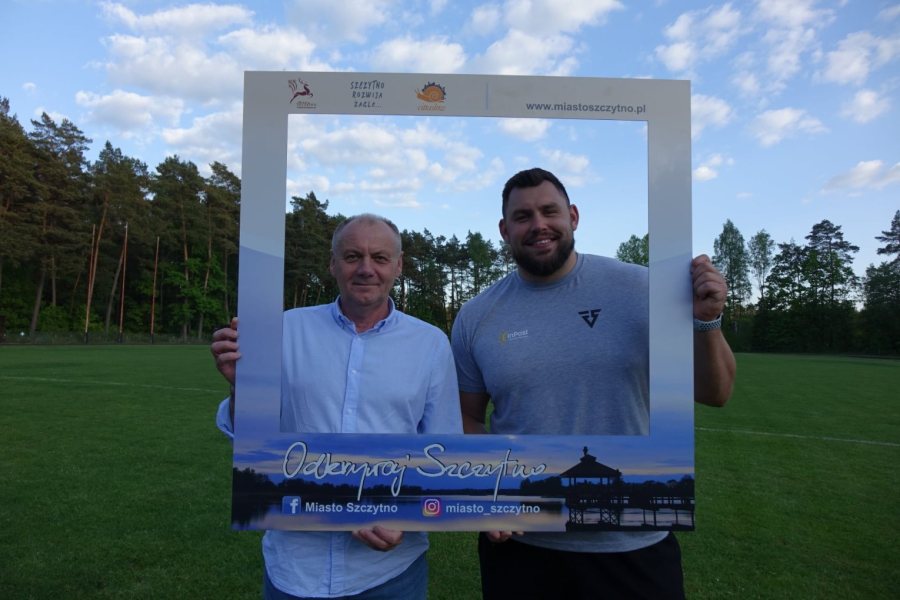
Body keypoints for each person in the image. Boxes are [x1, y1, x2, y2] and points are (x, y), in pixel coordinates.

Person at [450, 168, 736, 599]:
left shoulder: (642, 288)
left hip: (632, 543)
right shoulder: (477, 315)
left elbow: (715, 393)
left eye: (550, 211)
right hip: (522, 545)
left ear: (573, 216)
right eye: (523, 216)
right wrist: (492, 491)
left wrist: (707, 321)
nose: (539, 225)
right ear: (505, 230)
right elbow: (466, 417)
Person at [211, 214, 462, 600]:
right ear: (332, 263)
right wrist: (241, 389)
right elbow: (252, 445)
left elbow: (444, 452)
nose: (366, 268)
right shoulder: (282, 331)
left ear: (398, 266)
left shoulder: (430, 344)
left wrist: (406, 516)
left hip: (390, 575)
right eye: (352, 256)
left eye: (380, 257)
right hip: (295, 569)